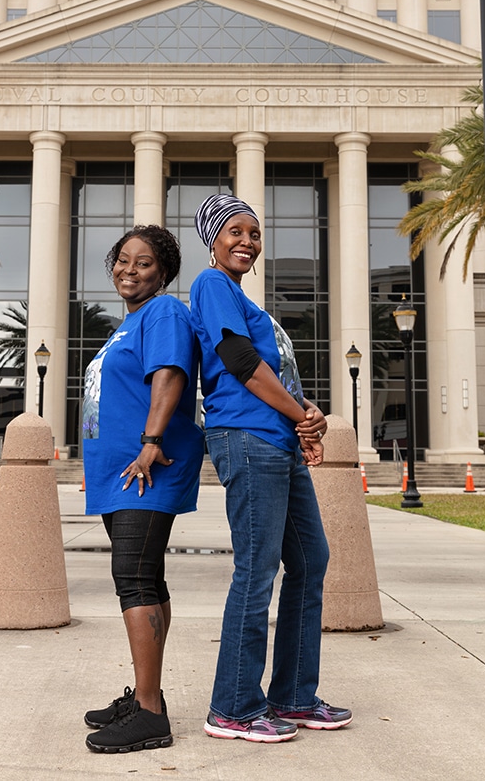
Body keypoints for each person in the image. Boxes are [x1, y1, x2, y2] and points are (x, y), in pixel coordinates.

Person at [189, 193, 352, 744]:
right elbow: (238, 362)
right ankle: (233, 706)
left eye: (254, 234)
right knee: (257, 569)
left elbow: (273, 372)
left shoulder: (242, 299)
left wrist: (304, 426)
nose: (247, 241)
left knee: (311, 560)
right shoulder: (211, 286)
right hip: (246, 438)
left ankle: (293, 696)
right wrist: (303, 412)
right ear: (212, 240)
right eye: (234, 231)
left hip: (276, 443)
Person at [81, 225, 204, 754]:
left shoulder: (164, 313)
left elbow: (171, 375)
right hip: (121, 472)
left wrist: (151, 441)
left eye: (144, 262)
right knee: (145, 576)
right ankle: (147, 696)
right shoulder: (129, 323)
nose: (130, 269)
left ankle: (151, 713)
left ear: (164, 273)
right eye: (123, 260)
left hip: (147, 467)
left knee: (131, 577)